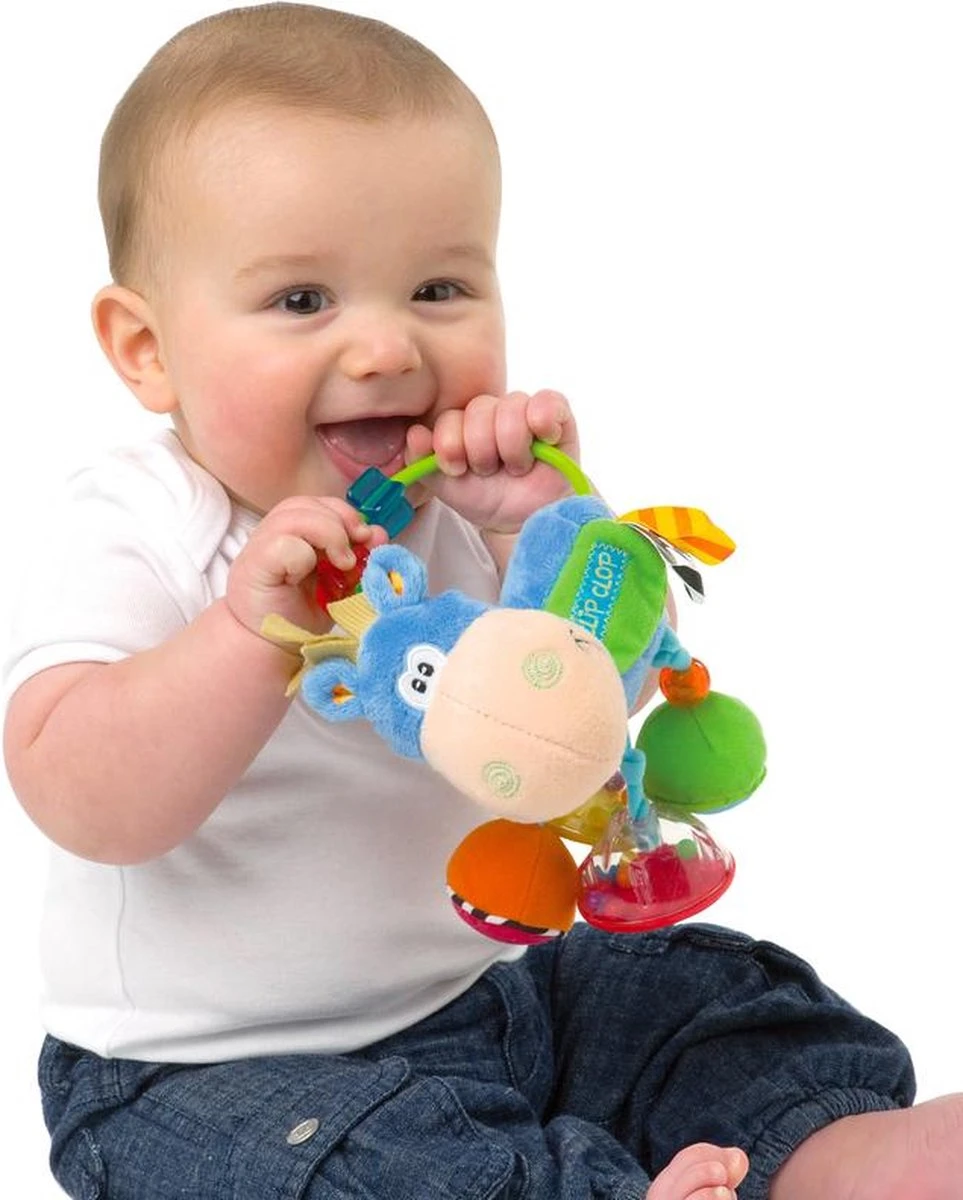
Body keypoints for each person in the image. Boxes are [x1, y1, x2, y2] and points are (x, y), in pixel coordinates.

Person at [2, 5, 960, 1198]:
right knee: (382, 1171)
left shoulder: (465, 502)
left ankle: (839, 1158)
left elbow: (601, 710)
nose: (386, 349)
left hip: (498, 995)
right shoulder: (141, 522)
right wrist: (247, 636)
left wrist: (541, 532)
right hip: (214, 1080)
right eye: (302, 301)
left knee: (695, 1000)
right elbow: (84, 799)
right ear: (146, 348)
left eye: (438, 286)